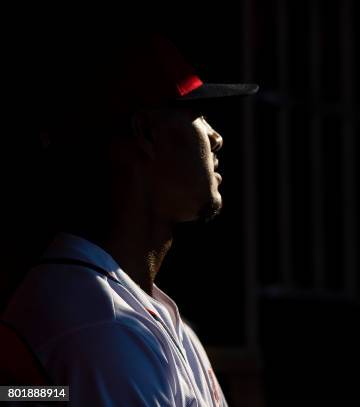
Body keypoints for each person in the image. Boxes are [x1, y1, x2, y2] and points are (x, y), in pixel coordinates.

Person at [2, 32, 258, 406]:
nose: (215, 136)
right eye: (197, 114)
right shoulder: (100, 325)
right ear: (147, 133)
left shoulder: (143, 313)